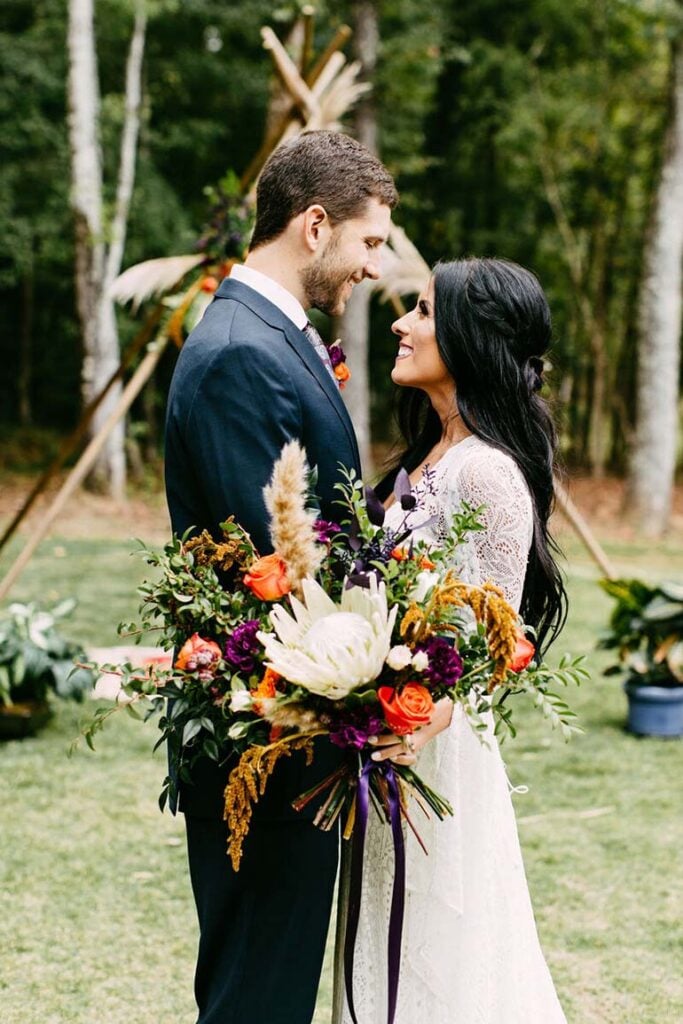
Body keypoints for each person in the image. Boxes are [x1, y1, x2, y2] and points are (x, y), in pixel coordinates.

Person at [164, 130, 397, 1024]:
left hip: (290, 729)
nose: (373, 266)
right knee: (256, 996)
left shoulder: (269, 336)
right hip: (265, 739)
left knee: (271, 987)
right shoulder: (240, 353)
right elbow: (276, 571)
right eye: (368, 241)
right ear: (314, 225)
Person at [336, 258, 569, 1023]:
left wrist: (424, 714)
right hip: (388, 741)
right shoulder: (426, 458)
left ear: (471, 337)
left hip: (438, 748)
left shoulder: (488, 475)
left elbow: (497, 639)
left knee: (436, 949)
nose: (400, 323)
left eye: (424, 311)